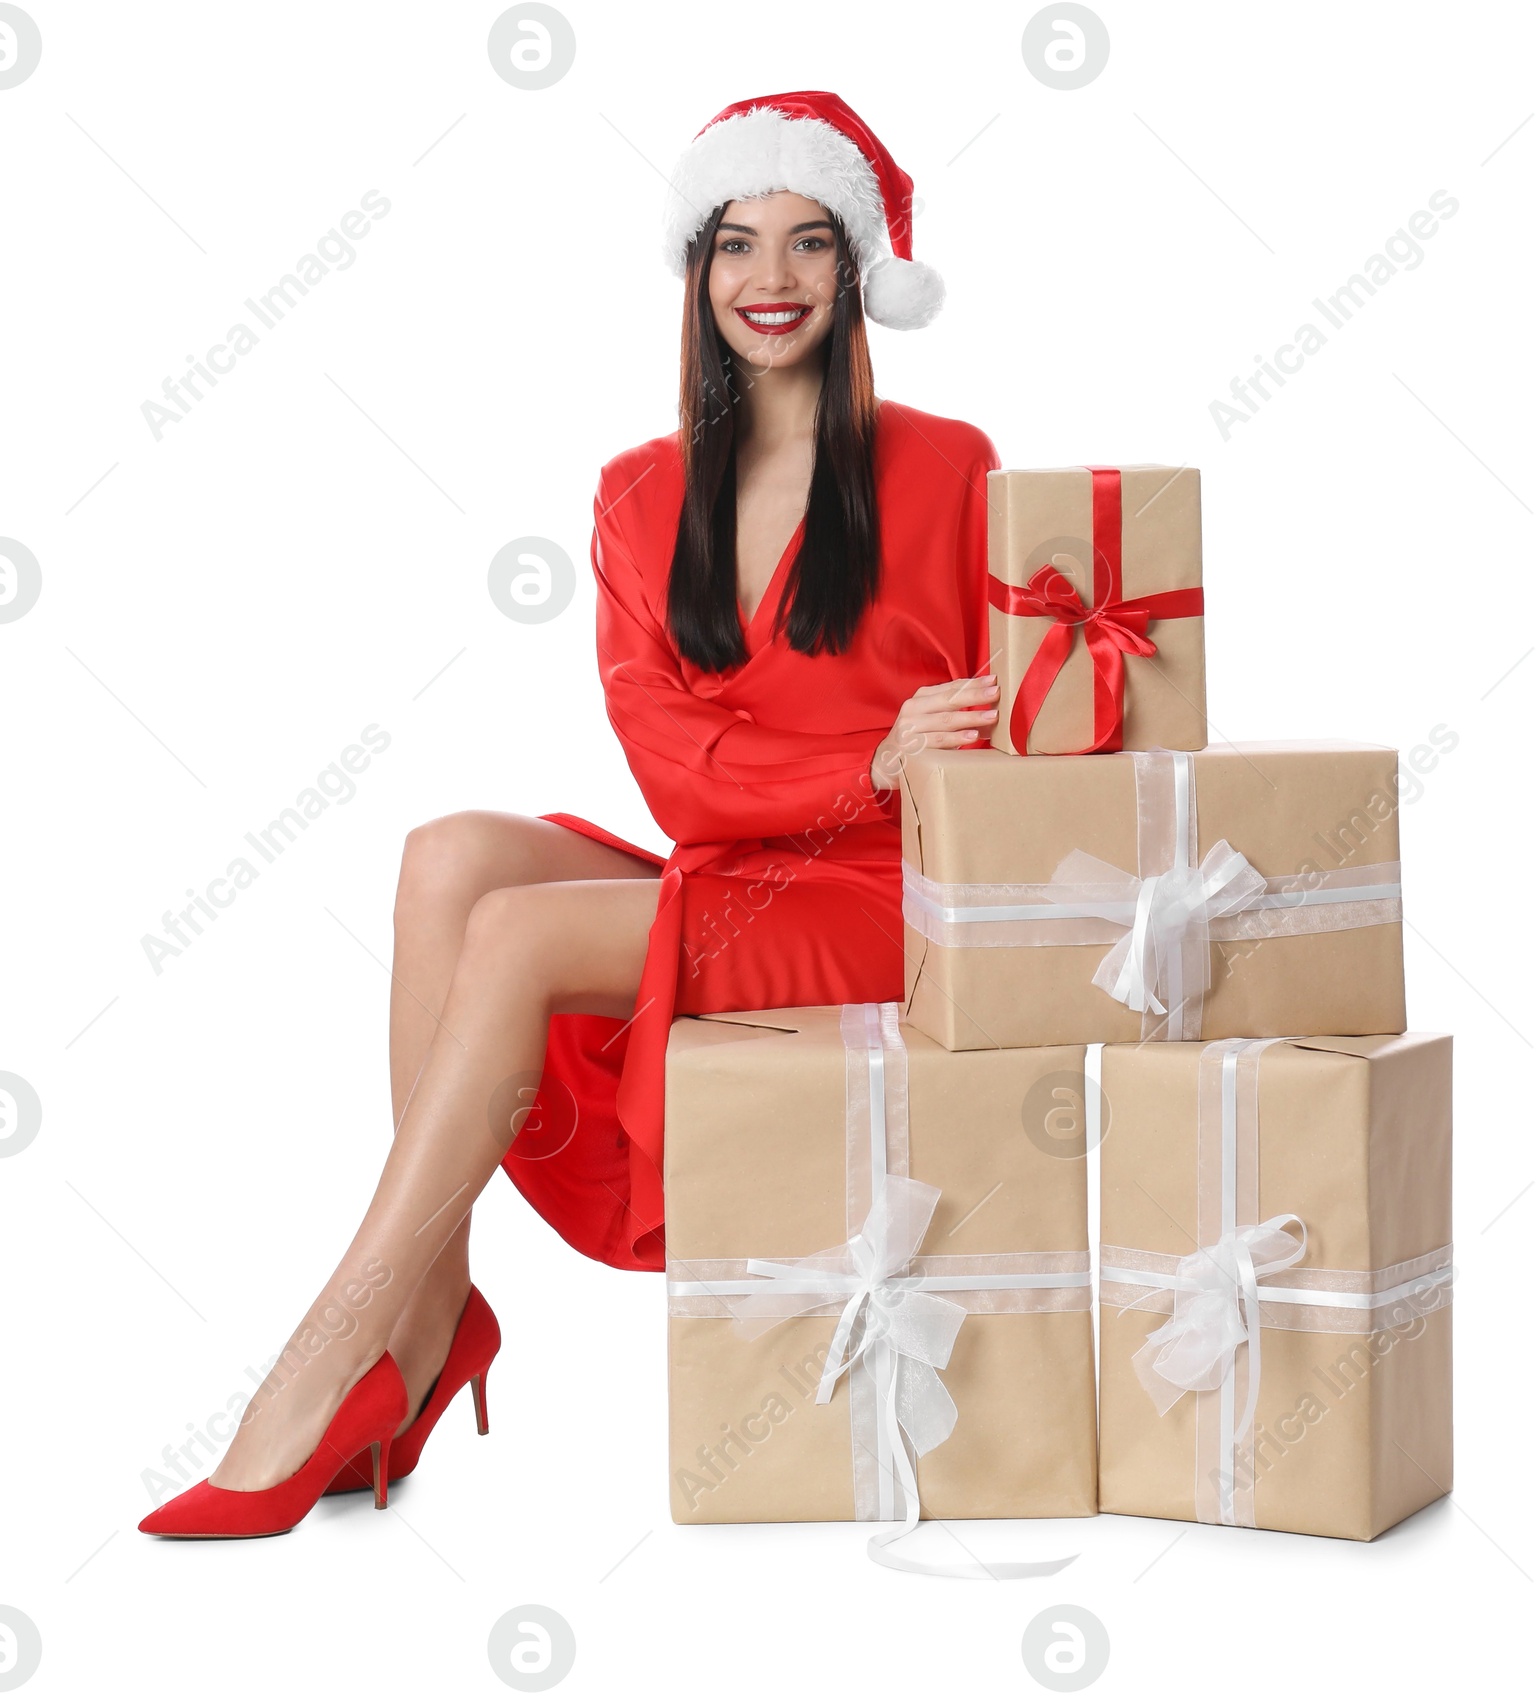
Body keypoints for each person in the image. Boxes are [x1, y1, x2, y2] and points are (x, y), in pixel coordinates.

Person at [140, 89, 1001, 1538]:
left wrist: (899, 771)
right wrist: (871, 752)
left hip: (883, 890)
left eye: (808, 246)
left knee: (525, 935)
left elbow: (995, 737)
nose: (769, 282)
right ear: (697, 269)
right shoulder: (638, 492)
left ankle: (338, 1349)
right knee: (447, 860)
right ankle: (429, 1311)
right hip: (735, 857)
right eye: (736, 246)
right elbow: (675, 771)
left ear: (857, 274)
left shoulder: (951, 464)